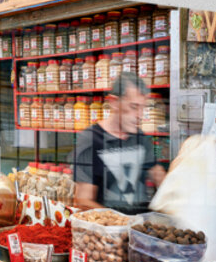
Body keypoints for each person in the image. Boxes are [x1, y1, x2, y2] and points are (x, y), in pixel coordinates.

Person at [71, 71, 166, 213]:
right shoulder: (91, 139)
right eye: (134, 107)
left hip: (139, 228)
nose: (140, 115)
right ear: (114, 103)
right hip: (107, 231)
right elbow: (83, 200)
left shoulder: (140, 137)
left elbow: (159, 176)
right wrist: (121, 222)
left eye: (143, 108)